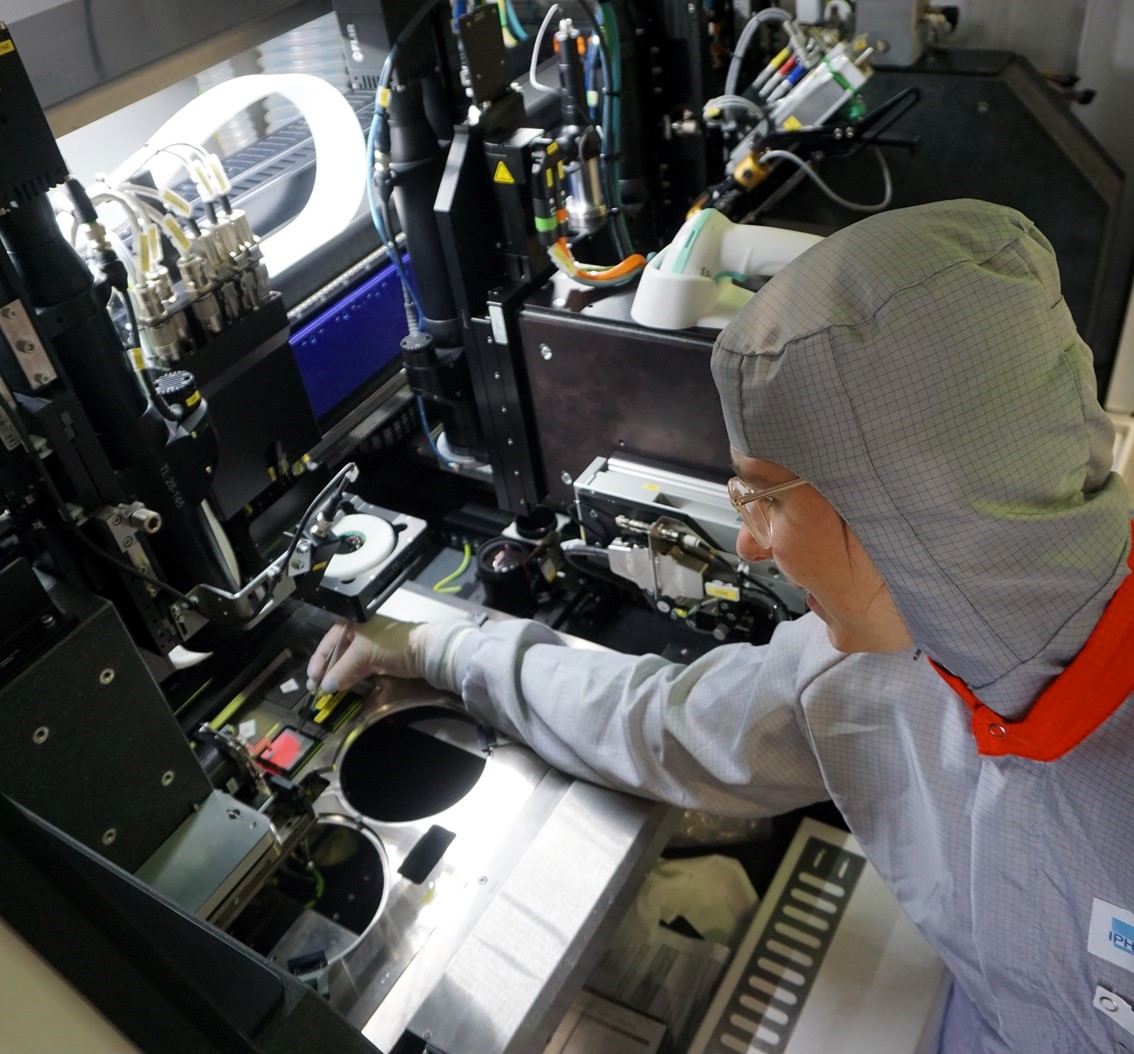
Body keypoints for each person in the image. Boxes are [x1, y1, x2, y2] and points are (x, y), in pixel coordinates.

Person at [307, 199, 1134, 1053]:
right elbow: (661, 723)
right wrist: (439, 647)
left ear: (903, 508)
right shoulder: (881, 664)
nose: (748, 542)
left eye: (762, 499)